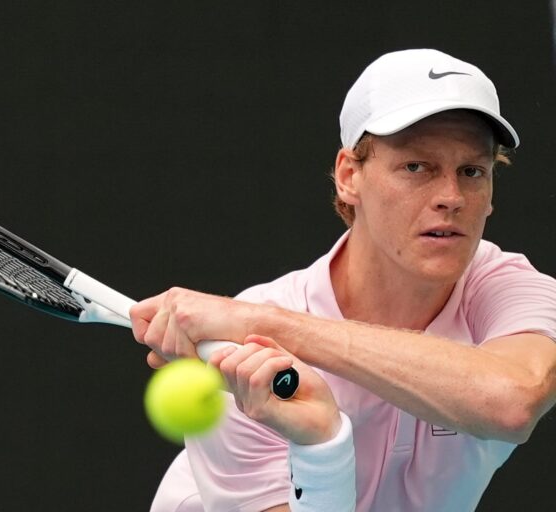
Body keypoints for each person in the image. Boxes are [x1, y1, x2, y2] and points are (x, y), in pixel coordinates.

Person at [130, 48, 556, 511]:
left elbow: (513, 401)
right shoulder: (241, 362)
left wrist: (267, 325)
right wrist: (322, 446)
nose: (451, 197)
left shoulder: (511, 288)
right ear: (349, 176)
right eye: (416, 167)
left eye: (472, 171)